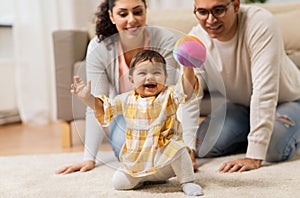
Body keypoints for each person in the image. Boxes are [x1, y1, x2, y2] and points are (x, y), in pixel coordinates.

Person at [55, 0, 200, 174]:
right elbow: (97, 104)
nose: (132, 20)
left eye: (138, 12)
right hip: (127, 116)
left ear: (146, 11)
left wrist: (187, 147)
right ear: (112, 16)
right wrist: (89, 158)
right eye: (123, 14)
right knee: (129, 148)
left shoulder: (164, 39)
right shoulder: (99, 48)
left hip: (162, 119)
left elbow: (176, 97)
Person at [70, 50, 203, 196]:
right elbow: (105, 108)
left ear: (165, 77)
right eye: (142, 73)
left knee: (179, 149)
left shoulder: (169, 95)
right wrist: (88, 98)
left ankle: (187, 182)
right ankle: (148, 178)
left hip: (165, 159)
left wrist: (188, 67)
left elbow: (186, 90)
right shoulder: (125, 99)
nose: (150, 77)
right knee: (118, 183)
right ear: (131, 79)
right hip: (138, 162)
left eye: (157, 73)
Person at [190, 0, 300, 173]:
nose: (210, 20)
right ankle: (254, 129)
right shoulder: (195, 40)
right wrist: (186, 148)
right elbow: (190, 96)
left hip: (289, 100)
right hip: (241, 106)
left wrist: (254, 155)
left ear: (235, 5)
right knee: (202, 146)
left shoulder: (260, 23)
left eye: (218, 10)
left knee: (271, 149)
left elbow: (265, 90)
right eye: (202, 12)